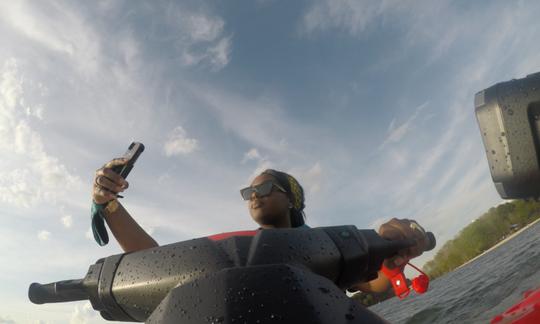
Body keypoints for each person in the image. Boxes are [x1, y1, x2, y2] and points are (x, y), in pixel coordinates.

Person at [91, 158, 431, 293]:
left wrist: (389, 253)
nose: (254, 195)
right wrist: (108, 204)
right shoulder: (234, 250)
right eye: (249, 191)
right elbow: (157, 264)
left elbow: (375, 284)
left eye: (265, 188)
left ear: (291, 199)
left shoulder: (329, 247)